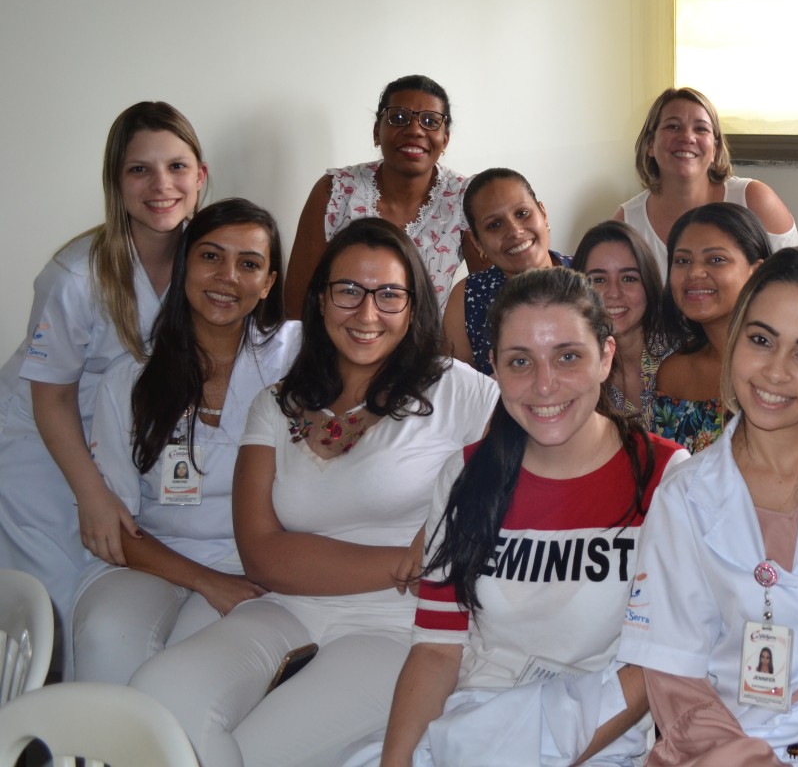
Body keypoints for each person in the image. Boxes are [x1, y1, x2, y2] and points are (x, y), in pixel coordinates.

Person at [130, 218, 499, 767]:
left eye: (389, 294)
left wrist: (438, 560)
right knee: (156, 697)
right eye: (348, 290)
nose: (367, 313)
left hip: (401, 627)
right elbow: (262, 554)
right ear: (321, 300)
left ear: (413, 305)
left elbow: (517, 500)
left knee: (257, 754)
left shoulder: (461, 392)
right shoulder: (277, 404)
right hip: (287, 606)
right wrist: (407, 560)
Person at [359, 268, 684, 767]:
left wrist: (542, 752)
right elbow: (437, 649)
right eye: (520, 361)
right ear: (494, 367)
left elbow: (655, 662)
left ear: (606, 357)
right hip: (471, 722)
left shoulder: (664, 476)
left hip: (596, 740)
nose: (544, 385)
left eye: (568, 356)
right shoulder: (466, 475)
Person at [619, 247, 798, 766]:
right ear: (734, 338)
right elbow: (674, 675)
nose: (776, 373)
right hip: (725, 749)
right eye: (761, 341)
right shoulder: (685, 494)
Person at [0, 101, 207, 651]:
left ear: (200, 175)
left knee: (108, 599)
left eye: (177, 166)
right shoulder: (75, 275)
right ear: (116, 182)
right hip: (44, 448)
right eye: (139, 169)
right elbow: (51, 400)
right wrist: (91, 493)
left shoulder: (205, 261)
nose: (161, 185)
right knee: (51, 604)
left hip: (123, 445)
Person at [73, 199, 300, 684]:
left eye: (249, 264)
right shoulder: (129, 379)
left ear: (268, 284)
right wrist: (205, 580)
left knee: (185, 667)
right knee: (106, 635)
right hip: (148, 559)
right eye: (211, 256)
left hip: (255, 563)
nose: (227, 277)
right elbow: (115, 524)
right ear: (183, 266)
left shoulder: (296, 361)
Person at [285, 74, 479, 319]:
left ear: (445, 140)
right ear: (377, 131)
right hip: (342, 338)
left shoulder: (464, 198)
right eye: (399, 118)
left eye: (430, 121)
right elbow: (297, 303)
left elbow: (487, 294)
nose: (415, 130)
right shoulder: (335, 191)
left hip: (426, 342)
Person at [615, 87, 798, 278]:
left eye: (700, 129)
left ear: (715, 150)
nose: (687, 137)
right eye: (673, 126)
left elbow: (797, 281)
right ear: (650, 144)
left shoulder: (754, 199)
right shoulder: (626, 222)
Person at [651, 203, 769, 453]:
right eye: (682, 260)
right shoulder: (675, 374)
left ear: (756, 272)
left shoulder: (790, 365)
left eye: (716, 259)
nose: (694, 272)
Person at [442, 168, 571, 375]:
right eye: (494, 225)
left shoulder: (592, 275)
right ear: (477, 242)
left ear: (543, 213)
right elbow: (461, 387)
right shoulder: (468, 297)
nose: (515, 231)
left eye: (522, 214)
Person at [575, 220, 675, 417]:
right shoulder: (574, 371)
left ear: (649, 283)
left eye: (628, 278)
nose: (614, 293)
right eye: (598, 280)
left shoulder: (682, 352)